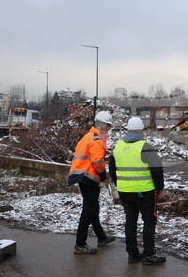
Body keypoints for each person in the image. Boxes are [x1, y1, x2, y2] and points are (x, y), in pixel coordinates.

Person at [110, 116, 166, 266]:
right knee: (149, 221)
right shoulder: (145, 146)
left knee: (130, 221)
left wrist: (121, 185)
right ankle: (149, 255)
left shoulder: (117, 147)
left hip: (125, 192)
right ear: (141, 131)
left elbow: (112, 170)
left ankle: (132, 255)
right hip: (145, 192)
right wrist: (159, 187)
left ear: (128, 130)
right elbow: (156, 170)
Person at [68, 110, 117, 255]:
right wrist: (102, 175)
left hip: (82, 176)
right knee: (89, 210)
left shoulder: (88, 136)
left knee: (93, 208)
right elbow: (97, 161)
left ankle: (101, 237)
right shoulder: (96, 139)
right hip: (89, 177)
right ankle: (80, 244)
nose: (109, 128)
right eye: (108, 125)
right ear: (101, 124)